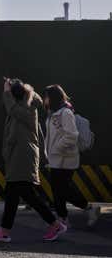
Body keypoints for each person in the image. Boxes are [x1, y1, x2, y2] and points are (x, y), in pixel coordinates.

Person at [0, 78, 66, 243]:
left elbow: (13, 110)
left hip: (23, 157)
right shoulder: (23, 106)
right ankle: (5, 230)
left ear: (15, 97)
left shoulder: (28, 108)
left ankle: (6, 230)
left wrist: (8, 92)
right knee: (19, 195)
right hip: (19, 157)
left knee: (21, 194)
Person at [43, 85, 100, 227]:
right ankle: (63, 218)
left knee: (62, 190)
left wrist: (55, 149)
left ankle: (88, 208)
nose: (45, 99)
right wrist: (49, 153)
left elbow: (72, 136)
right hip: (56, 159)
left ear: (53, 97)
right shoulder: (53, 113)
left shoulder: (66, 113)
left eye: (46, 96)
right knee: (58, 190)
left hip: (66, 159)